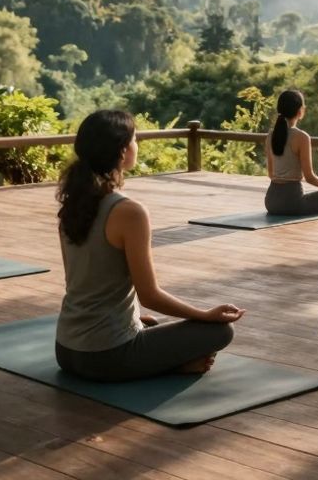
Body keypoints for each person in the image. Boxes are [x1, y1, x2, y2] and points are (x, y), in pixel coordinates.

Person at [55, 109, 244, 382]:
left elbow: (80, 284)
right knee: (220, 331)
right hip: (106, 356)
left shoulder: (71, 206)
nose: (137, 144)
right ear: (122, 151)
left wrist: (132, 318)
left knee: (150, 322)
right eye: (134, 139)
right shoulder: (129, 212)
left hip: (66, 350)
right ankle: (175, 367)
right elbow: (150, 296)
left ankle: (159, 357)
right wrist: (205, 315)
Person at [264, 89, 318, 215]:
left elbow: (271, 174)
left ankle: (317, 209)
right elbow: (309, 177)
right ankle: (317, 209)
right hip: (293, 203)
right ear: (300, 111)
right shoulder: (302, 137)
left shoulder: (270, 136)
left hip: (271, 203)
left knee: (315, 199)